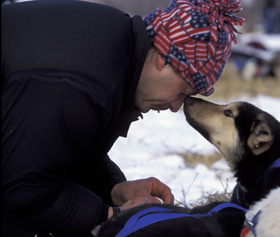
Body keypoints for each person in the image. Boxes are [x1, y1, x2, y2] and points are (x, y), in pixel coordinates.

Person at [1, 0, 244, 236]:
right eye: (183, 91)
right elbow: (23, 187)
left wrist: (112, 189)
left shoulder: (113, 48)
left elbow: (58, 151)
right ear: (165, 59)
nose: (175, 106)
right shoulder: (80, 81)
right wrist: (111, 218)